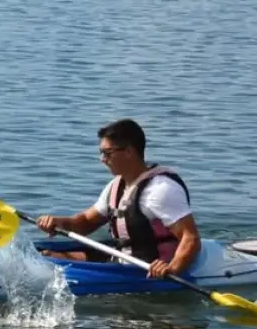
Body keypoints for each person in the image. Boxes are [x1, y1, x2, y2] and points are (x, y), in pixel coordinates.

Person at [35, 119, 200, 278]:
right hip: (123, 259)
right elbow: (86, 222)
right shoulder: (116, 186)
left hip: (151, 269)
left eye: (108, 153)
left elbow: (190, 238)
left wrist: (173, 267)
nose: (102, 159)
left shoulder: (161, 190)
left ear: (128, 151)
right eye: (101, 153)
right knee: (46, 254)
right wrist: (58, 222)